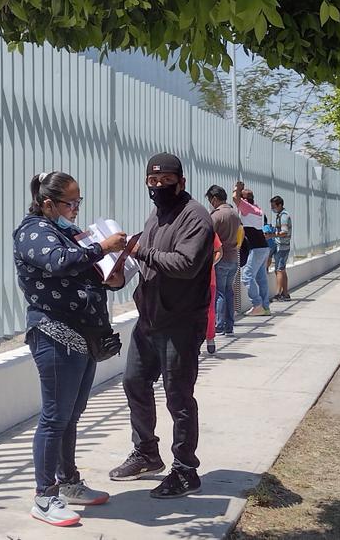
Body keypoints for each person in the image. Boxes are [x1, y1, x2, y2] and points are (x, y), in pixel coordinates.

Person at [14, 171, 127, 526]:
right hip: (54, 333)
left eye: (79, 201)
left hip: (83, 334)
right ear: (48, 203)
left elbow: (86, 272)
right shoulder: (33, 232)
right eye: (71, 202)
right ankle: (44, 496)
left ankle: (68, 483)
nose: (77, 208)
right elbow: (58, 262)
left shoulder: (63, 230)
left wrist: (113, 274)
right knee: (54, 417)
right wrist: (102, 248)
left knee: (70, 416)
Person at [111, 153, 214, 499]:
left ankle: (185, 469)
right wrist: (121, 269)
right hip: (150, 320)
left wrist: (140, 252)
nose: (158, 188)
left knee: (178, 397)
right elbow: (147, 257)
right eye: (152, 182)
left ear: (181, 182)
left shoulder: (196, 217)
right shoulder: (157, 213)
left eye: (165, 182)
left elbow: (185, 263)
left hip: (181, 323)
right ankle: (146, 452)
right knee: (134, 383)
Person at [205, 185, 241, 337]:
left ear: (214, 198)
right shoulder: (234, 213)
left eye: (210, 200)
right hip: (234, 258)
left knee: (219, 292)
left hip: (220, 258)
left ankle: (219, 326)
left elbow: (207, 236)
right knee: (228, 292)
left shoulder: (216, 216)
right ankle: (229, 326)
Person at [233, 181, 271, 316]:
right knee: (261, 278)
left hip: (256, 248)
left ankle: (257, 304)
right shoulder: (257, 208)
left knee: (247, 276)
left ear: (245, 200)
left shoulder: (248, 208)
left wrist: (237, 189)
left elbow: (235, 199)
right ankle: (265, 307)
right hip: (263, 247)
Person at [269, 196, 293, 301]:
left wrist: (272, 235)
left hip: (282, 247)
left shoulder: (283, 216)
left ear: (279, 205)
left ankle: (278, 294)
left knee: (279, 270)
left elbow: (284, 232)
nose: (272, 209)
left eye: (273, 206)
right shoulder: (281, 215)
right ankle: (285, 293)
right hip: (282, 246)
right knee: (281, 270)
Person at [206, 234, 223, 355]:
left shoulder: (209, 231)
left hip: (208, 278)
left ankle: (210, 338)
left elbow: (219, 251)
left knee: (210, 310)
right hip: (188, 280)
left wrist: (210, 263)